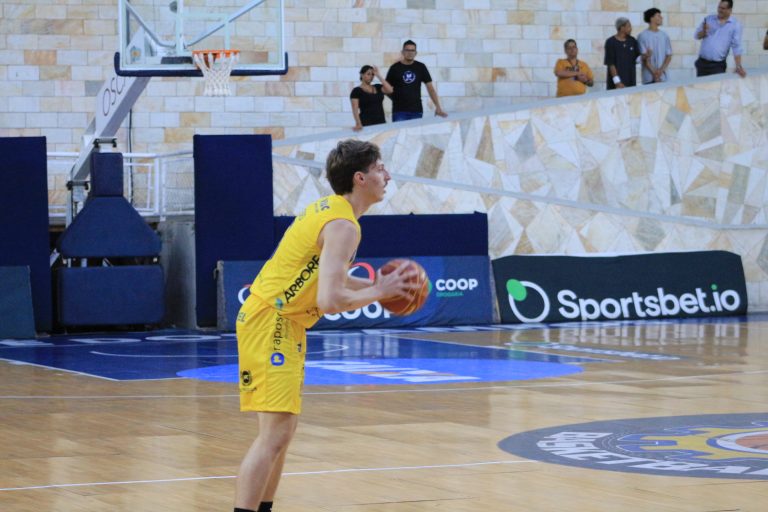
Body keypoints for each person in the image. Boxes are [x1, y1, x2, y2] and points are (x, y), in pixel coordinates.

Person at [233, 140, 418, 512]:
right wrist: (379, 291)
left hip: (278, 320)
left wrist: (381, 288)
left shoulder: (331, 211)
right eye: (380, 168)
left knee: (281, 434)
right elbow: (330, 300)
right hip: (273, 321)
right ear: (360, 178)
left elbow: (332, 276)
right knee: (274, 436)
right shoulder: (343, 226)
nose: (387, 175)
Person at [385, 40, 448, 122]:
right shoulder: (394, 68)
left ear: (416, 53)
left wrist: (438, 107)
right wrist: (395, 98)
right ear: (402, 52)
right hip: (399, 111)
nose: (410, 53)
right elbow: (385, 89)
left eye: (412, 50)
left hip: (416, 111)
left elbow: (430, 89)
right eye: (407, 50)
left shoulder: (421, 67)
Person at [694, 0, 746, 78]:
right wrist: (703, 32)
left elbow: (736, 47)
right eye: (719, 7)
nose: (719, 10)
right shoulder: (709, 19)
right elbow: (696, 36)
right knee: (701, 85)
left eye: (723, 8)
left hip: (717, 66)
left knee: (716, 85)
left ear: (730, 10)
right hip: (702, 63)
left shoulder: (735, 25)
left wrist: (738, 66)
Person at [350, 65, 393, 131]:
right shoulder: (356, 91)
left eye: (372, 74)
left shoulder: (378, 87)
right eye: (368, 74)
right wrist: (358, 123)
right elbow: (355, 109)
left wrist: (378, 75)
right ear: (362, 75)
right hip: (366, 124)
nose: (371, 76)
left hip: (381, 123)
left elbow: (390, 90)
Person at [637, 8, 673, 84]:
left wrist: (660, 71)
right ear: (651, 18)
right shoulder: (642, 36)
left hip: (663, 77)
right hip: (649, 78)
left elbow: (669, 55)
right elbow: (644, 58)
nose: (661, 17)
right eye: (658, 16)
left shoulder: (664, 36)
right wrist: (655, 74)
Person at [604, 17, 641, 90]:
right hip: (616, 85)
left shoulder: (632, 41)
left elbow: (637, 59)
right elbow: (610, 63)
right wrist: (617, 81)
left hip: (631, 82)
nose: (631, 28)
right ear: (621, 28)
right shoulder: (610, 42)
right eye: (629, 26)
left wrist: (645, 56)